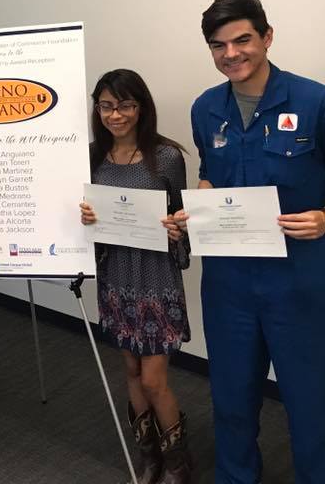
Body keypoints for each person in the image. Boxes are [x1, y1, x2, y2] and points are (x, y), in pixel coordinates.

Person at [171, 0, 325, 484]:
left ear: (266, 37)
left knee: (315, 403)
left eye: (242, 39)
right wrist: (193, 211)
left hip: (304, 279)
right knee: (231, 398)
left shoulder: (319, 102)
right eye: (218, 45)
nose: (231, 54)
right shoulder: (206, 107)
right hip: (230, 283)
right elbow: (212, 174)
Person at [79, 69, 193, 484]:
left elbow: (185, 220)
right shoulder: (91, 157)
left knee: (153, 378)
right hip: (117, 277)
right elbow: (85, 222)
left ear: (140, 107)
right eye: (106, 105)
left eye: (124, 105)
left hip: (156, 278)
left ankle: (178, 463)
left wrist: (179, 229)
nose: (115, 115)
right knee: (130, 372)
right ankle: (150, 457)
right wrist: (85, 218)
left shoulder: (165, 157)